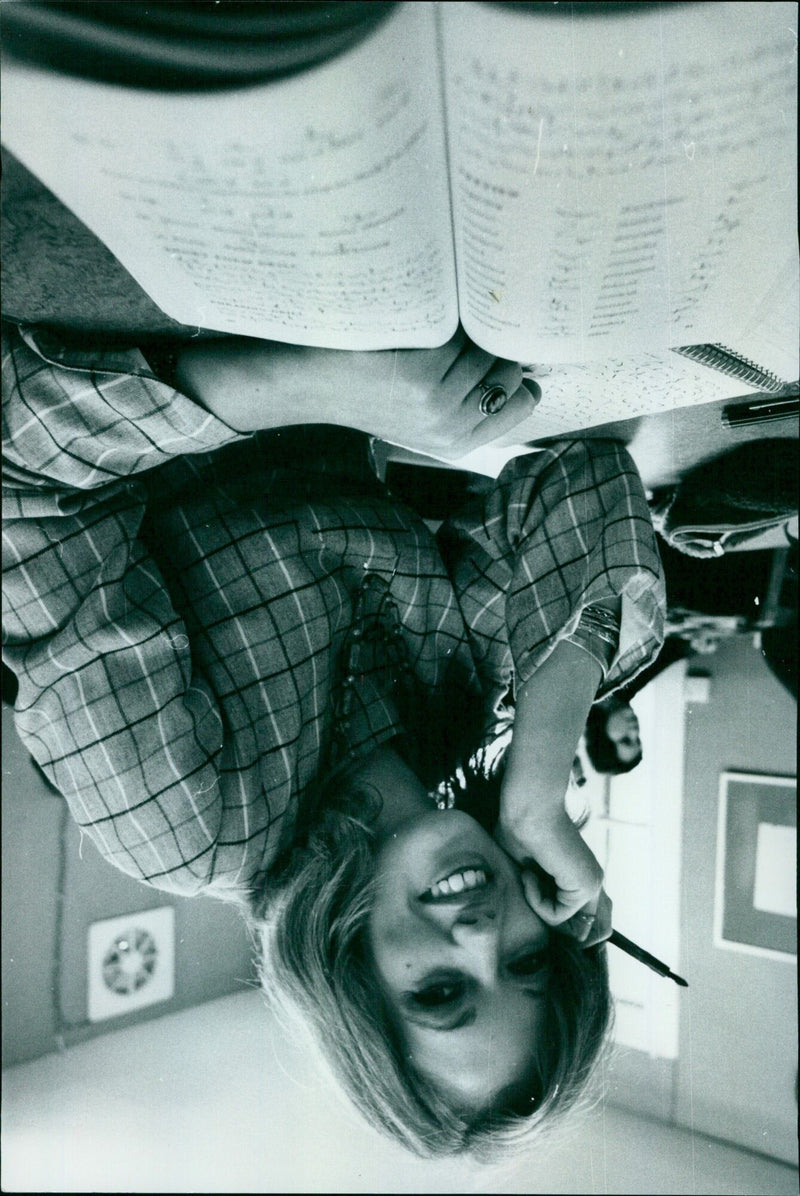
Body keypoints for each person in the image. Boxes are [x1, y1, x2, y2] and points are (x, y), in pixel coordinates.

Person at [2, 323, 665, 1158]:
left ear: (351, 979)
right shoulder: (456, 713)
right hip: (324, 307)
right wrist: (537, 788)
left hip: (115, 318)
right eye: (529, 964)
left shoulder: (194, 829)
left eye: (441, 990)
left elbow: (18, 469)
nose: (486, 933)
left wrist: (313, 388)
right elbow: (584, 479)